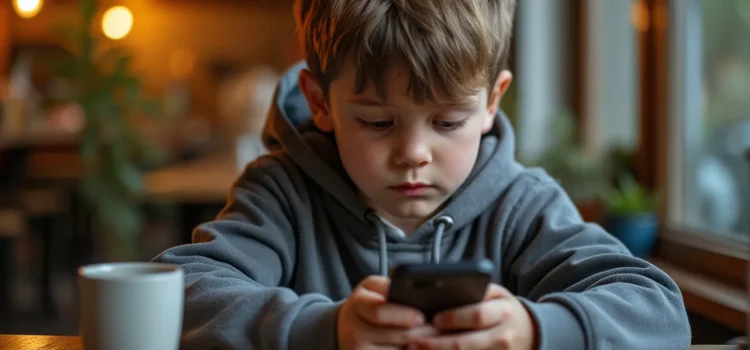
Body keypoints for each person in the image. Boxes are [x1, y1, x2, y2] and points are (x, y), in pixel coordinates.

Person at [153, 0, 692, 349]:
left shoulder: (523, 204)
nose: (413, 152)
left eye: (448, 121)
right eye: (377, 121)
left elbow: (659, 312)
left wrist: (535, 330)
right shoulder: (281, 193)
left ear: (490, 103)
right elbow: (176, 294)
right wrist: (324, 329)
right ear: (321, 103)